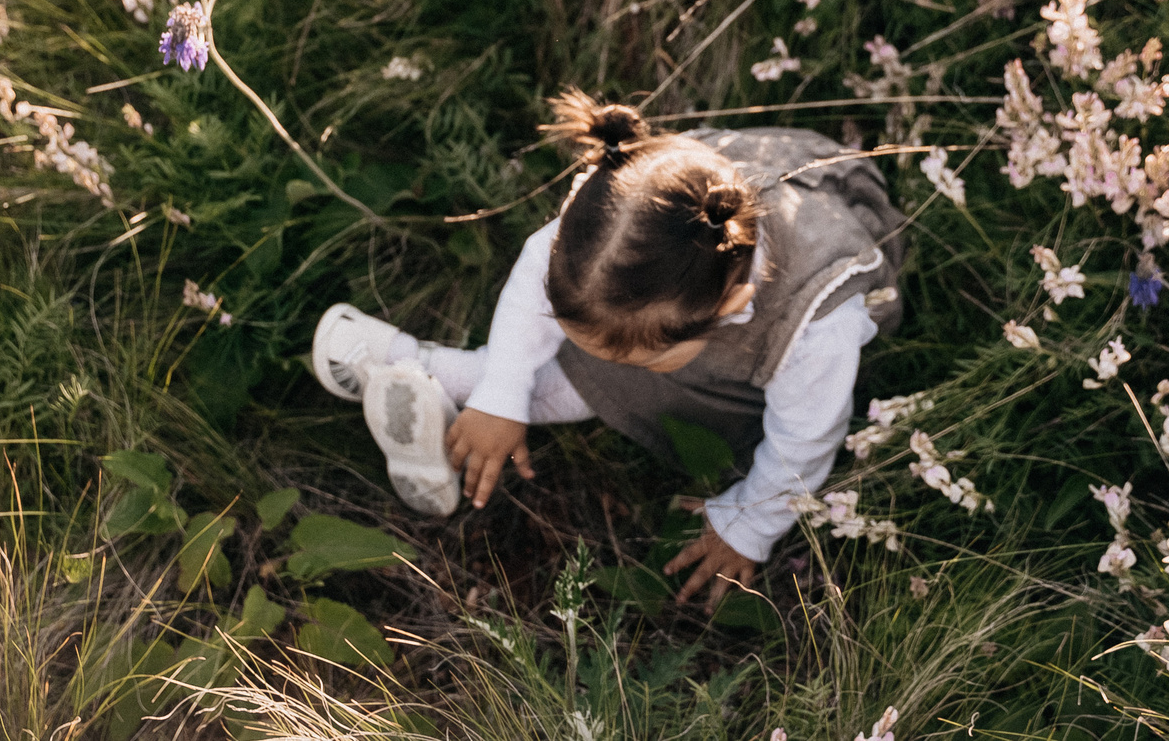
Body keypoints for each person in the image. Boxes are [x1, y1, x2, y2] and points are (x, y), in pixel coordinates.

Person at [310, 91, 905, 604]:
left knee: (588, 382)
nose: (598, 357)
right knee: (561, 358)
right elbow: (531, 287)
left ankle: (411, 365)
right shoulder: (612, 225)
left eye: (631, 358)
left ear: (722, 309)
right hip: (688, 257)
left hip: (800, 280)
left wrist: (747, 526)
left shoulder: (813, 329)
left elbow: (807, 438)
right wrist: (502, 394)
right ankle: (436, 381)